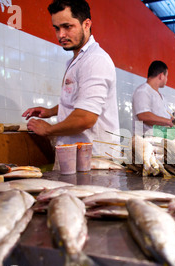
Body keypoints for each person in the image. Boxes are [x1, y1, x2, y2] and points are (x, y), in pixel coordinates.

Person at [22, 0, 120, 157]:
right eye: (57, 28)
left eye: (67, 27)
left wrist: (48, 130)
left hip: (96, 161)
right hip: (79, 158)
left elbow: (85, 118)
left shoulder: (95, 60)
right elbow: (79, 101)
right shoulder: (77, 60)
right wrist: (51, 111)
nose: (61, 35)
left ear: (86, 24)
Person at [132, 60, 174, 135]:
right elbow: (143, 115)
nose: (167, 79)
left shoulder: (161, 96)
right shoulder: (143, 91)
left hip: (160, 139)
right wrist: (168, 121)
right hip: (145, 141)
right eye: (166, 76)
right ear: (161, 76)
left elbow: (167, 116)